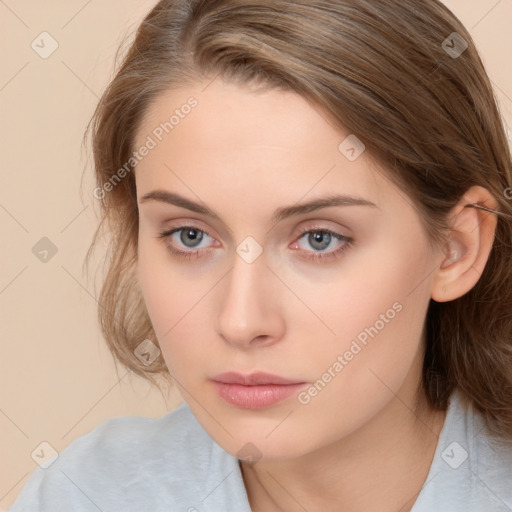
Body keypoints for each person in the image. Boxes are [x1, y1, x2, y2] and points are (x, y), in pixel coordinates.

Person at [9, 0, 512, 510]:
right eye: (189, 236)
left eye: (320, 239)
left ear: (456, 248)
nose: (241, 321)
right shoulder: (83, 496)